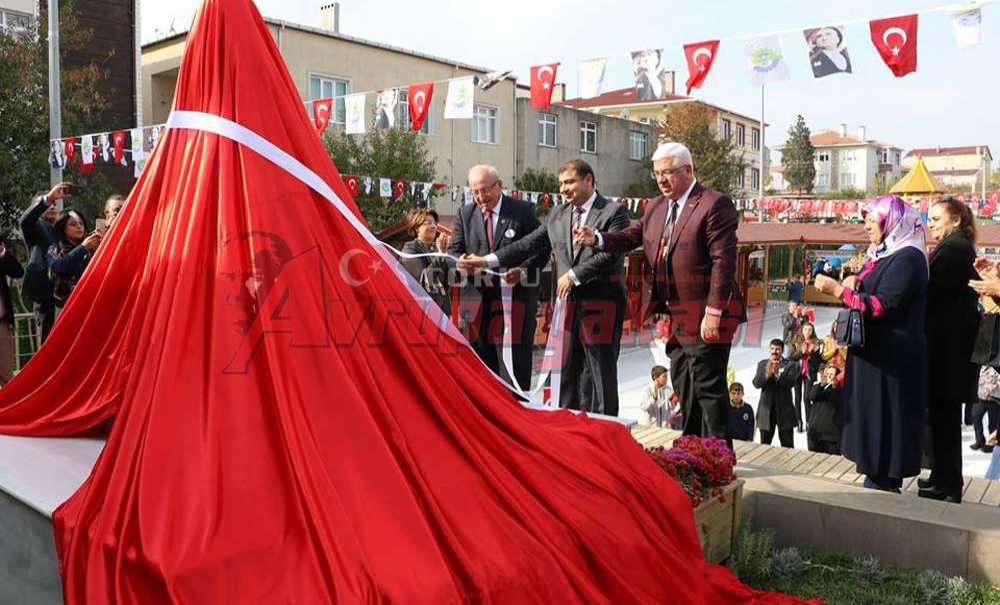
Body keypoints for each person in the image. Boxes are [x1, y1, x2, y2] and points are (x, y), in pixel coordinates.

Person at [575, 142, 745, 441]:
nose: (661, 180)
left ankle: (721, 453)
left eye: (668, 173)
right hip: (676, 314)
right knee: (683, 383)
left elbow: (724, 262)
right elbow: (631, 236)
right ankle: (693, 446)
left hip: (708, 312)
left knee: (708, 386)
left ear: (688, 170)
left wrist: (714, 312)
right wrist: (598, 238)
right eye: (657, 174)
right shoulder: (655, 206)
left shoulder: (714, 204)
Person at [459, 159, 629, 415]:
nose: (564, 189)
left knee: (599, 374)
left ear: (589, 180)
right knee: (565, 372)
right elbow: (527, 245)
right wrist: (486, 260)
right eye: (561, 184)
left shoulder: (614, 211)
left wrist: (574, 275)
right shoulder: (558, 214)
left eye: (570, 182)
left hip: (600, 304)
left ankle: (605, 433)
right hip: (566, 307)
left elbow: (612, 252)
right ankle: (570, 431)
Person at [814, 195, 928, 493]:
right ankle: (874, 475)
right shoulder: (883, 253)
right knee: (870, 417)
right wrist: (854, 280)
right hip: (874, 355)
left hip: (892, 358)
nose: (866, 226)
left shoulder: (909, 258)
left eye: (871, 220)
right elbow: (871, 285)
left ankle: (884, 483)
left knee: (885, 421)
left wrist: (838, 289)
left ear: (891, 222)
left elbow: (882, 305)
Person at [449, 165, 545, 392]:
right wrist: (461, 264)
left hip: (515, 304)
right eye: (475, 192)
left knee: (515, 368)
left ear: (499, 185)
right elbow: (452, 253)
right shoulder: (465, 214)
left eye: (485, 190)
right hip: (477, 306)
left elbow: (542, 248)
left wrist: (523, 271)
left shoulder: (523, 211)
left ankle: (518, 415)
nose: (481, 197)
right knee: (481, 370)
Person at [919, 197, 980, 503]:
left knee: (945, 419)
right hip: (946, 347)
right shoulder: (954, 246)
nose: (930, 223)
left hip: (949, 351)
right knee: (941, 419)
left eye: (936, 218)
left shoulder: (955, 249)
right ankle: (942, 478)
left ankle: (949, 485)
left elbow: (928, 287)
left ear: (956, 220)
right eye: (929, 218)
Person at [20, 183, 67, 341]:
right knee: (49, 350)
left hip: (69, 297)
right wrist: (47, 199)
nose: (52, 206)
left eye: (55, 203)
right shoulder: (36, 227)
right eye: (49, 203)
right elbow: (25, 221)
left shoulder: (63, 230)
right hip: (47, 300)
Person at [399, 209, 452, 316]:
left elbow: (448, 281)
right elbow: (424, 279)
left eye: (434, 223)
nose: (433, 226)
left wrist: (448, 253)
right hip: (423, 313)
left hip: (442, 313)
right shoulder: (410, 249)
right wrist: (441, 254)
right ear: (417, 227)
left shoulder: (436, 249)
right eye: (428, 223)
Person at [48, 210, 102, 313]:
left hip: (91, 305)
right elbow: (59, 267)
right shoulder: (55, 249)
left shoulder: (92, 247)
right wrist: (82, 248)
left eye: (81, 223)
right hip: (65, 306)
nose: (79, 227)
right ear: (62, 227)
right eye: (73, 224)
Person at [752, 338, 797, 448]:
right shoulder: (762, 364)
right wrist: (768, 374)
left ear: (782, 351)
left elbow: (790, 383)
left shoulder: (790, 365)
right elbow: (756, 384)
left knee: (788, 447)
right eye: (772, 348)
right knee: (764, 447)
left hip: (784, 412)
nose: (774, 351)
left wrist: (777, 374)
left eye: (777, 349)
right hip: (766, 412)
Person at [788, 321, 822, 433]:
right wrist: (801, 352)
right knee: (797, 398)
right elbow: (791, 357)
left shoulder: (816, 343)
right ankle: (799, 422)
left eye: (810, 330)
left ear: (813, 331)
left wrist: (813, 353)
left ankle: (808, 422)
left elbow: (818, 361)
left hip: (809, 373)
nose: (807, 332)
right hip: (797, 373)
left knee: (807, 398)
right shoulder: (796, 341)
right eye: (805, 329)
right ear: (802, 330)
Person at [0, 240, 24, 385]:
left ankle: (9, 407)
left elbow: (17, 272)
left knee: (7, 375)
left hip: (1, 323)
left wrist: (2, 251)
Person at [808, 365, 842, 455]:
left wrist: (833, 387)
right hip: (814, 435)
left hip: (831, 438)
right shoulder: (817, 387)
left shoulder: (839, 391)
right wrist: (821, 384)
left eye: (832, 374)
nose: (829, 376)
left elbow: (835, 401)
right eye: (827, 373)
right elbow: (812, 397)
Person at [972, 365, 1000, 453]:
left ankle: (992, 444)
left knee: (993, 423)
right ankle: (980, 441)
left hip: (994, 398)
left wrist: (995, 385)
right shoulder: (981, 365)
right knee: (975, 417)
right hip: (981, 396)